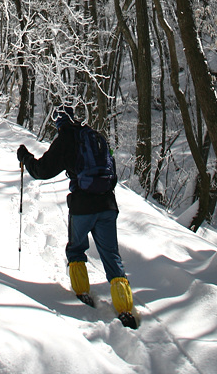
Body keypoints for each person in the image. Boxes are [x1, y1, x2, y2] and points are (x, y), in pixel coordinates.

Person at [16, 106, 140, 329]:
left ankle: (82, 292)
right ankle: (125, 307)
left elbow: (42, 170)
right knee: (112, 255)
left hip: (83, 205)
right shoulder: (95, 137)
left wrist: (25, 157)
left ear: (59, 122)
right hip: (108, 204)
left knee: (75, 249)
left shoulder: (66, 139)